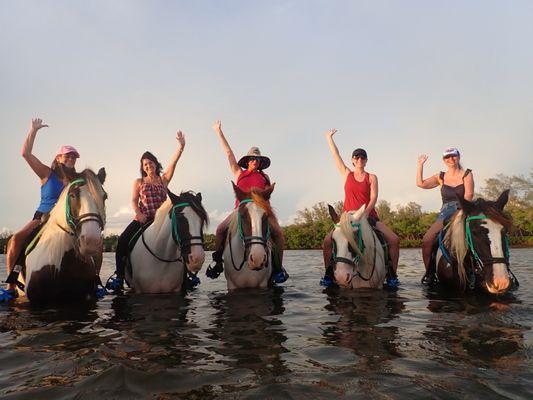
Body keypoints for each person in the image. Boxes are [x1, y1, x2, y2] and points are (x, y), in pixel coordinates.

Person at [1, 118, 80, 302]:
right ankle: (11, 285)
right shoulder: (46, 173)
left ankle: (95, 282)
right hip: (43, 217)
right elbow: (25, 154)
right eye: (67, 155)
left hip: (67, 220)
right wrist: (33, 130)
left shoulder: (76, 180)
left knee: (93, 243)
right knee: (15, 240)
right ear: (59, 158)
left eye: (73, 156)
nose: (71, 158)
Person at [205, 120, 289, 283]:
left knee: (278, 234)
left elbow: (266, 199)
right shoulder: (239, 173)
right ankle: (217, 261)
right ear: (247, 161)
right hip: (241, 211)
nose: (255, 161)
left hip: (260, 212)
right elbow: (229, 153)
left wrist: (267, 215)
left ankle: (278, 267)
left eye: (257, 160)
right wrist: (218, 132)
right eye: (252, 159)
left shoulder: (264, 177)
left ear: (260, 163)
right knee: (221, 229)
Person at [105, 131, 186, 292]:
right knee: (122, 242)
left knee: (181, 241)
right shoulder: (139, 182)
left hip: (162, 221)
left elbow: (173, 163)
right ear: (143, 168)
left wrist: (181, 146)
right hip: (143, 218)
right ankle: (120, 277)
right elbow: (134, 201)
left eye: (150, 163)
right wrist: (139, 214)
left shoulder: (164, 180)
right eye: (145, 165)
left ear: (155, 164)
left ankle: (186, 277)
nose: (148, 166)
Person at [321, 128, 400, 288]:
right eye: (356, 157)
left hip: (368, 216)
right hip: (347, 219)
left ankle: (392, 274)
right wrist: (329, 138)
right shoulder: (347, 174)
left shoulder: (372, 177)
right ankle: (329, 273)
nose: (359, 159)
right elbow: (336, 156)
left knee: (393, 240)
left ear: (366, 160)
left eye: (362, 157)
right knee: (327, 241)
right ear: (352, 160)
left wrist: (365, 214)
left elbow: (373, 198)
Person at [416, 147, 474, 282]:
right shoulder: (440, 177)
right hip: (445, 211)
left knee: (478, 234)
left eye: (453, 156)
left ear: (458, 157)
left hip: (464, 208)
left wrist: (461, 212)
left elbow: (469, 195)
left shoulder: (467, 173)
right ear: (444, 160)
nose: (451, 159)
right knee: (427, 240)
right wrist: (420, 165)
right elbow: (421, 183)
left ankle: (482, 268)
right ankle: (430, 273)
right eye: (447, 157)